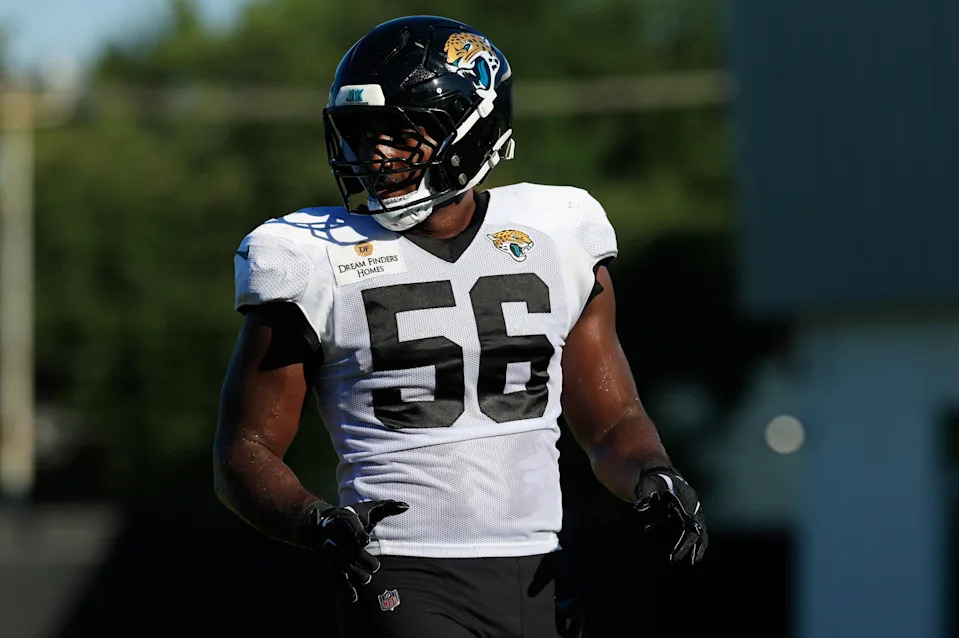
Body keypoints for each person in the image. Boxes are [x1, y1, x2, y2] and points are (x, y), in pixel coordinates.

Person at [214, 14, 707, 638]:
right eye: (363, 133)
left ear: (473, 132)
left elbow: (610, 423)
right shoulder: (311, 257)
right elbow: (243, 452)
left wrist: (653, 474)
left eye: (401, 132)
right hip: (401, 571)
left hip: (539, 572)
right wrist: (313, 520)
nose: (376, 153)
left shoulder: (559, 232)